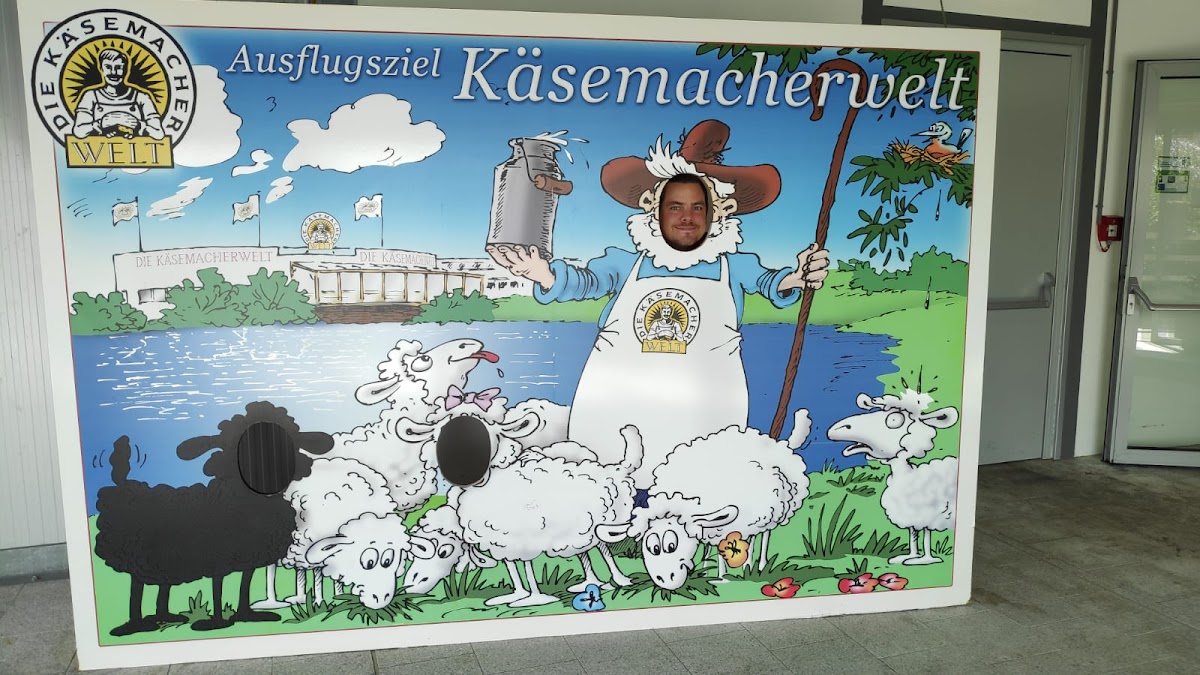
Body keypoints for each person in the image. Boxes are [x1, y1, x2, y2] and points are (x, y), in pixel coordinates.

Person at [487, 119, 829, 492]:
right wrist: (544, 274)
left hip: (703, 412)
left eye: (698, 207)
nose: (686, 217)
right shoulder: (624, 262)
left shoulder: (736, 266)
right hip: (614, 408)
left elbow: (773, 283)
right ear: (654, 208)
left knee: (694, 493)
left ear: (719, 211)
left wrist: (799, 277)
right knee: (605, 490)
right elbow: (584, 282)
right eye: (675, 206)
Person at [72, 48, 165, 140]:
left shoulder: (141, 97)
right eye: (108, 67)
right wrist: (101, 125)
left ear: (126, 69)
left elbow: (159, 133)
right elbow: (78, 131)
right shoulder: (91, 96)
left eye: (118, 67)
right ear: (101, 69)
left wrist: (138, 126)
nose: (113, 72)